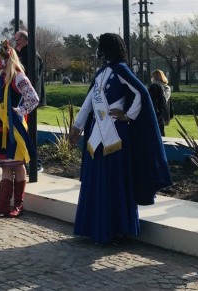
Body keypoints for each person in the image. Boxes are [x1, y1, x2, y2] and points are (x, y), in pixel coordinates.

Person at [69, 33, 171, 244]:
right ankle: (94, 228)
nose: (99, 51)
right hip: (97, 135)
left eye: (102, 47)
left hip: (116, 135)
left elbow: (142, 94)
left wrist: (129, 115)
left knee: (114, 182)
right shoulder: (101, 73)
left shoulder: (122, 70)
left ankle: (115, 229)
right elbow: (89, 101)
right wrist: (77, 126)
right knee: (96, 181)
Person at [0, 40, 40, 218]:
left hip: (14, 129)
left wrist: (20, 111)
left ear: (8, 59)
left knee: (18, 165)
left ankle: (18, 205)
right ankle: (3, 205)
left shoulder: (18, 77)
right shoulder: (1, 78)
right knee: (5, 166)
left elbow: (33, 98)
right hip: (0, 130)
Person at [13, 29, 46, 106]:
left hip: (30, 94)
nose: (15, 44)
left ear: (21, 40)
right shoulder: (20, 52)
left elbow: (33, 73)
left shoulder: (31, 53)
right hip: (24, 92)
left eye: (16, 40)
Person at [149, 69, 172, 136]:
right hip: (153, 109)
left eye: (157, 76)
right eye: (154, 76)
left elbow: (165, 98)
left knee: (160, 130)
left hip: (161, 111)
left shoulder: (166, 87)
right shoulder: (152, 86)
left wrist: (158, 88)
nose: (155, 78)